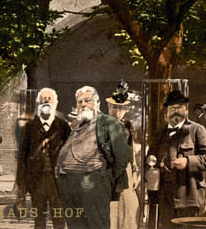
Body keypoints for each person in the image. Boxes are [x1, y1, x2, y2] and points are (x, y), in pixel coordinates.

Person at [55, 86, 131, 229]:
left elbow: (122, 157)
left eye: (87, 100)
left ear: (97, 103)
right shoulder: (77, 125)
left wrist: (104, 178)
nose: (83, 104)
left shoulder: (109, 123)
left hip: (93, 185)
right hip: (69, 186)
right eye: (80, 102)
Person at [147, 89, 206, 226]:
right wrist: (150, 165)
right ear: (167, 111)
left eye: (179, 107)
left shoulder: (197, 130)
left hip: (189, 197)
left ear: (186, 109)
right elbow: (150, 158)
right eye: (172, 108)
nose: (175, 111)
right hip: (165, 199)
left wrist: (188, 161)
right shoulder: (160, 133)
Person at [16, 87, 69, 229]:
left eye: (49, 99)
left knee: (59, 218)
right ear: (38, 104)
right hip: (36, 180)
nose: (46, 102)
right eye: (42, 100)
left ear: (56, 103)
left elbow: (69, 155)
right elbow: (22, 157)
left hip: (56, 181)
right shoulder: (30, 127)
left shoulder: (63, 127)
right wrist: (21, 187)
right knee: (39, 220)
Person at [106, 83, 139, 229]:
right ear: (109, 107)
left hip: (126, 170)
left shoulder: (128, 125)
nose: (118, 111)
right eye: (115, 108)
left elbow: (131, 149)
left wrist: (135, 170)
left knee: (129, 207)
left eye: (121, 108)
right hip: (108, 171)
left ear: (125, 109)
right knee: (111, 209)